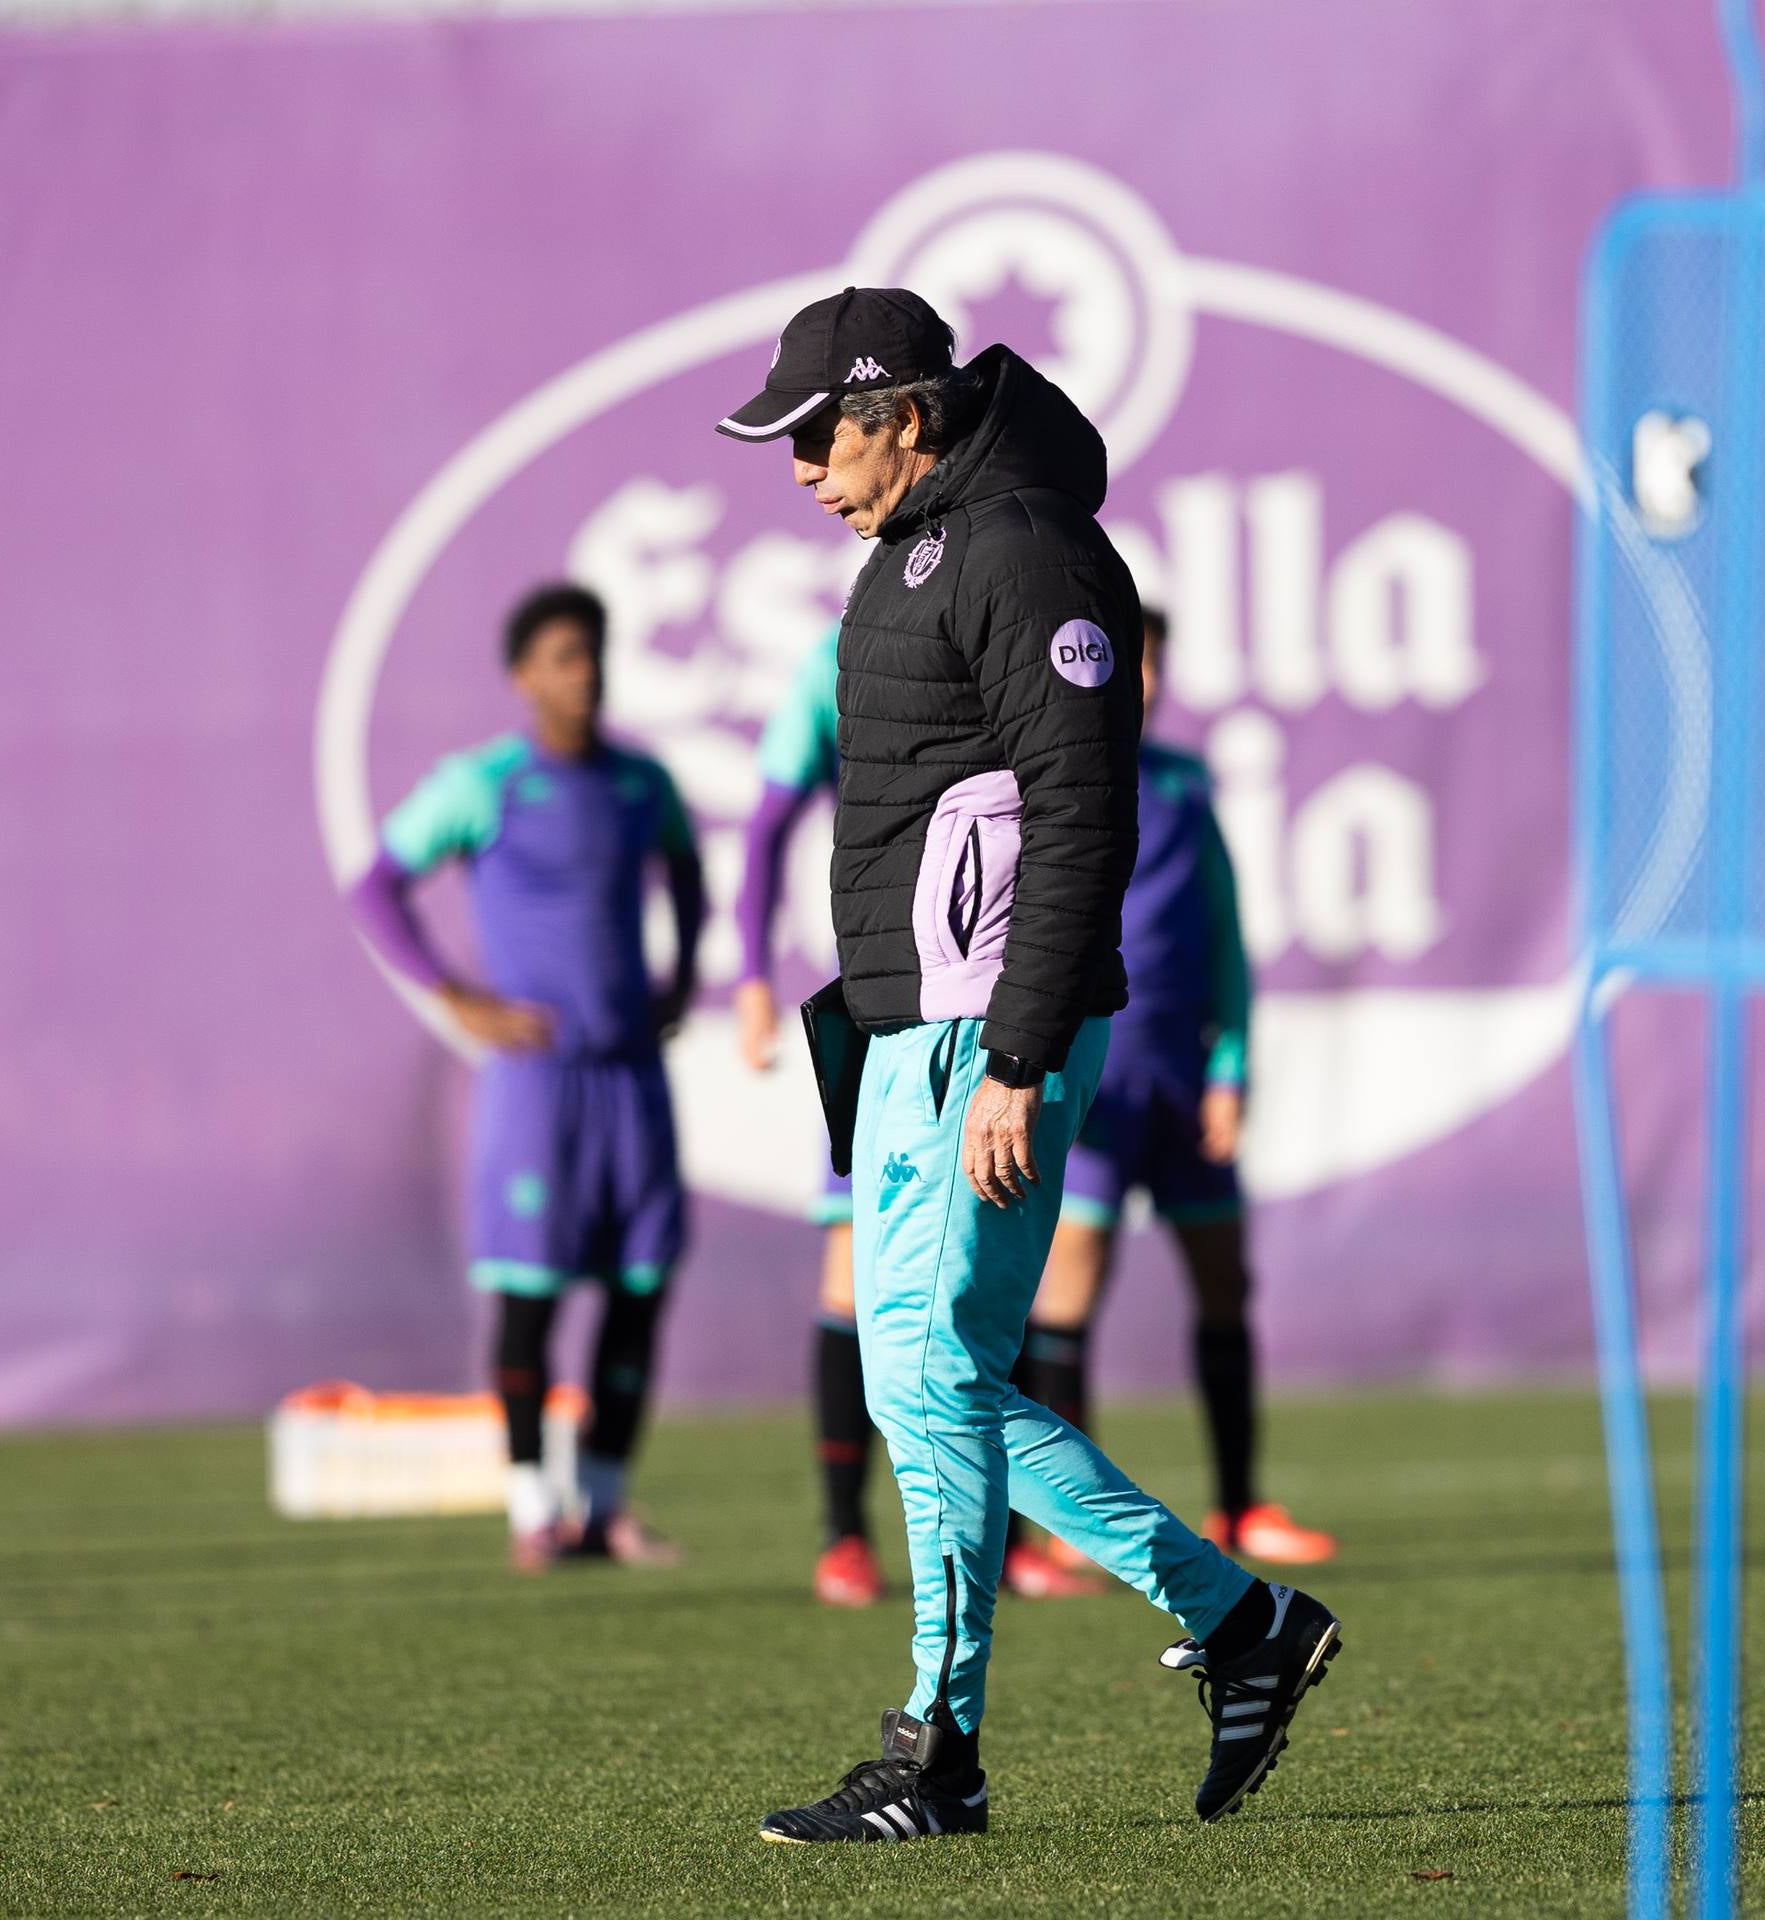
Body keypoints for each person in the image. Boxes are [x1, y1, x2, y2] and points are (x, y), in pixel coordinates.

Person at [715, 287, 1341, 1841]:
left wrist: (1014, 1053)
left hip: (976, 1033)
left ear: (901, 416)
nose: (797, 467)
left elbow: (1078, 814)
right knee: (929, 1383)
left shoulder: (1024, 549)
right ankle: (1239, 1623)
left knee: (930, 1378)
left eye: (817, 434)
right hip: (911, 1026)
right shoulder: (920, 550)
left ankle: (940, 1753)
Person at [348, 584, 705, 1573]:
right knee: (530, 1297)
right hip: (537, 1088)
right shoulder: (485, 785)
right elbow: (376, 885)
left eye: (592, 653)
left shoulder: (641, 784)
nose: (584, 674)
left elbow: (687, 873)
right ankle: (530, 1510)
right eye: (561, 657)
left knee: (639, 1288)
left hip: (630, 1079)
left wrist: (681, 975)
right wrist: (457, 997)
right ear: (522, 677)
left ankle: (605, 1506)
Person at [1005, 607, 1334, 1599]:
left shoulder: (1185, 785)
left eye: (1151, 663)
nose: (1139, 680)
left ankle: (1238, 1503)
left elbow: (1225, 934)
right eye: (1125, 662)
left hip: (1180, 1086)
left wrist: (1229, 1070)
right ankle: (1068, 1528)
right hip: (1091, 1083)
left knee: (1225, 1283)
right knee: (1066, 1297)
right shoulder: (1044, 779)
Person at [734, 625, 887, 1608]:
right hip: (883, 996)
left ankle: (1007, 1545)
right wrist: (750, 976)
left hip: (998, 999)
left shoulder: (1005, 627)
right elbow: (764, 827)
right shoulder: (835, 661)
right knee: (853, 1266)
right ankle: (844, 1533)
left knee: (989, 1280)